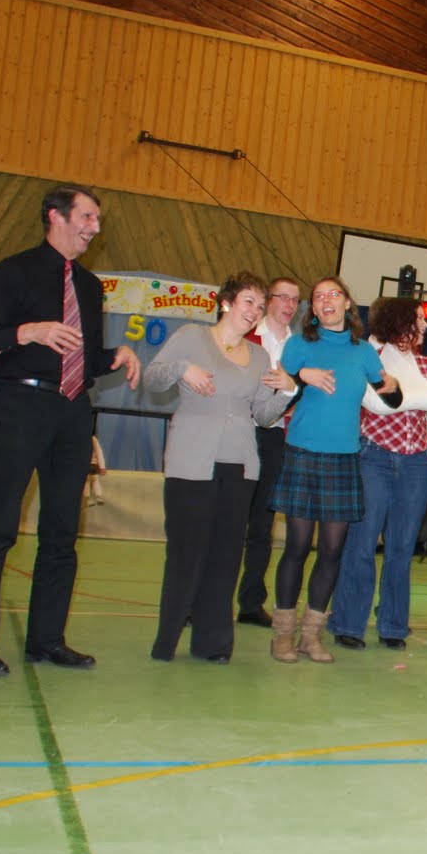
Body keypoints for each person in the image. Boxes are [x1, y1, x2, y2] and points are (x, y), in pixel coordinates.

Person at [0, 185, 140, 676]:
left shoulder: (90, 286)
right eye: (87, 216)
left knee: (62, 531)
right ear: (55, 216)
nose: (95, 227)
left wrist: (116, 356)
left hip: (73, 412)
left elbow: (87, 356)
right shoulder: (14, 271)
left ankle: (47, 639)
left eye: (98, 219)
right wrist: (28, 331)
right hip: (21, 404)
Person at [144, 272, 293, 662]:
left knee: (227, 557)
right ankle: (166, 642)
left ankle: (213, 644)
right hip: (191, 461)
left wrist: (289, 391)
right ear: (226, 302)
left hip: (241, 465)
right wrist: (182, 370)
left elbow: (262, 415)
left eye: (260, 307)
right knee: (185, 554)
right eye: (249, 302)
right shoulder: (192, 338)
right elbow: (152, 379)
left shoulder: (259, 356)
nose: (254, 311)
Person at [267, 277, 394, 663]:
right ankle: (283, 636)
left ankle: (312, 635)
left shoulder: (364, 352)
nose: (326, 301)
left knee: (332, 551)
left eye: (333, 295)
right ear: (314, 307)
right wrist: (301, 376)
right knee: (297, 547)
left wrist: (402, 386)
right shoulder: (300, 345)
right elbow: (278, 386)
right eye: (319, 297)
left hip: (344, 458)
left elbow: (387, 389)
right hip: (303, 453)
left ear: (348, 303)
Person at [328, 297, 427, 651]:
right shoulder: (370, 358)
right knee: (362, 543)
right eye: (419, 320)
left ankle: (393, 624)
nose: (425, 326)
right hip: (374, 457)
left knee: (402, 547)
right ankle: (348, 621)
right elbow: (378, 402)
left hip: (417, 463)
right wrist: (423, 398)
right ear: (399, 324)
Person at [235, 275, 301, 628]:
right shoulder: (246, 337)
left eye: (295, 300)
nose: (289, 305)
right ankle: (202, 599)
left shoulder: (300, 348)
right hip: (240, 433)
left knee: (262, 524)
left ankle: (250, 603)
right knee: (227, 519)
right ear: (268, 301)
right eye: (283, 298)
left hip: (276, 439)